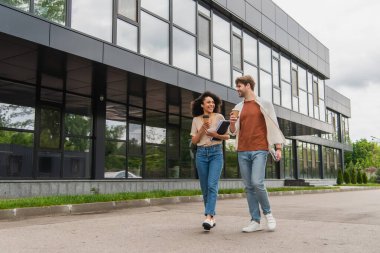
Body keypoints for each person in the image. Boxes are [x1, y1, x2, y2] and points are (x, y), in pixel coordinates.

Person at [229, 75, 285, 233]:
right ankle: (255, 220)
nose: (237, 89)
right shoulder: (238, 107)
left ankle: (268, 214)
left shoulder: (264, 103)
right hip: (242, 150)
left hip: (260, 148)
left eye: (239, 86)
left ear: (248, 86)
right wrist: (232, 123)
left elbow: (274, 124)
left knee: (257, 183)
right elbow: (233, 132)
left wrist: (278, 147)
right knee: (248, 187)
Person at [190, 91, 229, 231]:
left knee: (212, 185)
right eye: (208, 102)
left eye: (213, 102)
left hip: (216, 153)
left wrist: (215, 134)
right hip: (201, 154)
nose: (211, 104)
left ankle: (209, 216)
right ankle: (211, 219)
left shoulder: (219, 117)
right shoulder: (196, 120)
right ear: (202, 105)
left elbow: (227, 137)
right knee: (205, 188)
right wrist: (202, 129)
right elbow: (194, 141)